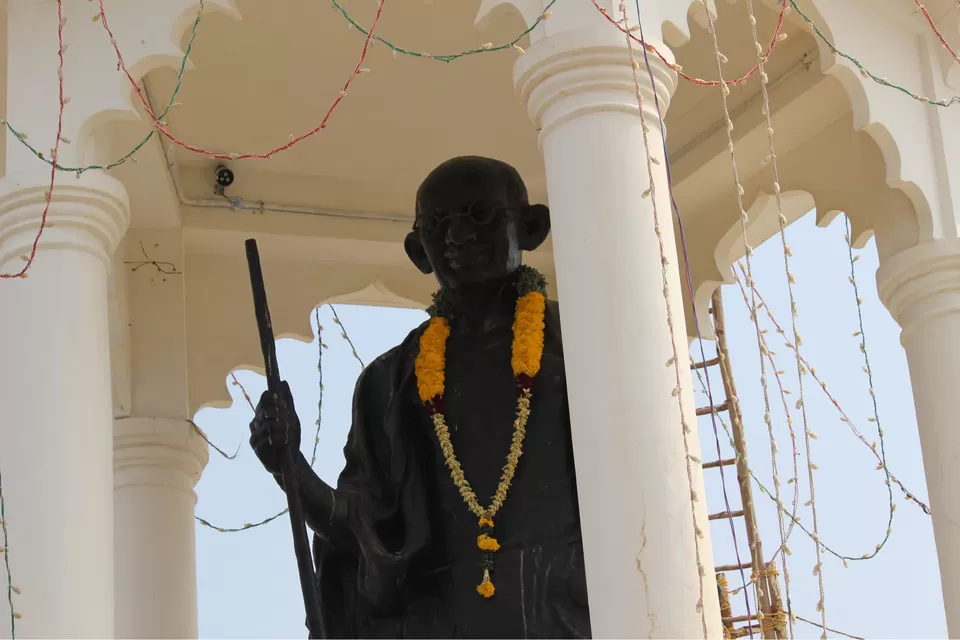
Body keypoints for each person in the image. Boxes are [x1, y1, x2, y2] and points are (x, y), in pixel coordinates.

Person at [250, 156, 591, 638]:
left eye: (479, 214)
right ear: (418, 250)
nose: (457, 236)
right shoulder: (389, 383)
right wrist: (289, 466)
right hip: (447, 619)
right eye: (437, 224)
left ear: (531, 227)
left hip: (575, 610)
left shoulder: (581, 339)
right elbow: (361, 533)